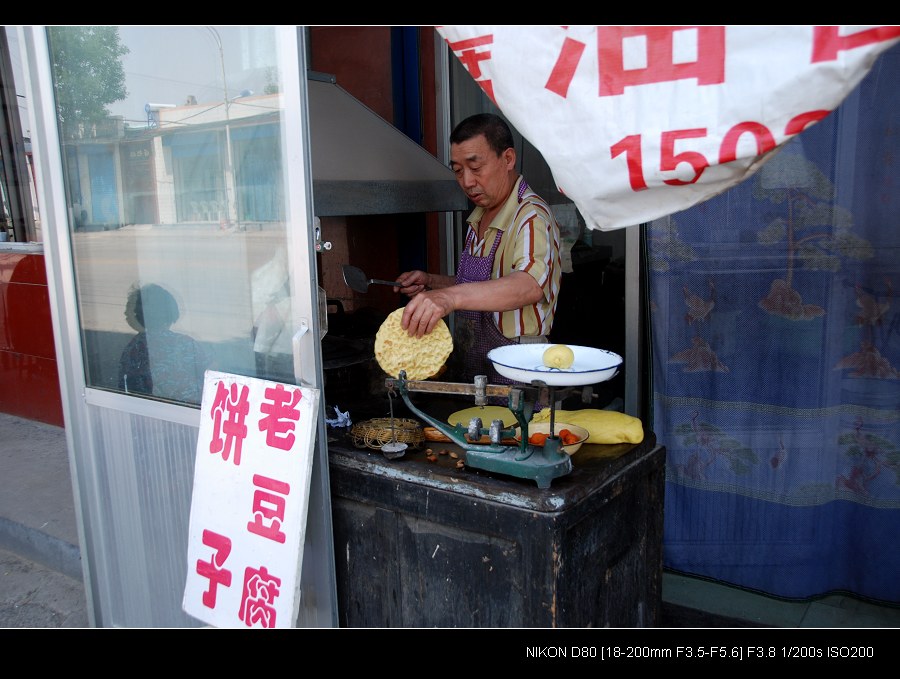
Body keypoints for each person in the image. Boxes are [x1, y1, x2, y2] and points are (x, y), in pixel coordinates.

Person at [395, 113, 561, 385]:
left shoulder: (531, 217)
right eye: (458, 170)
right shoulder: (480, 217)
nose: (467, 181)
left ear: (508, 159)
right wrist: (433, 284)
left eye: (476, 167)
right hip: (475, 364)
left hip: (519, 369)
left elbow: (528, 285)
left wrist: (448, 298)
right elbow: (483, 285)